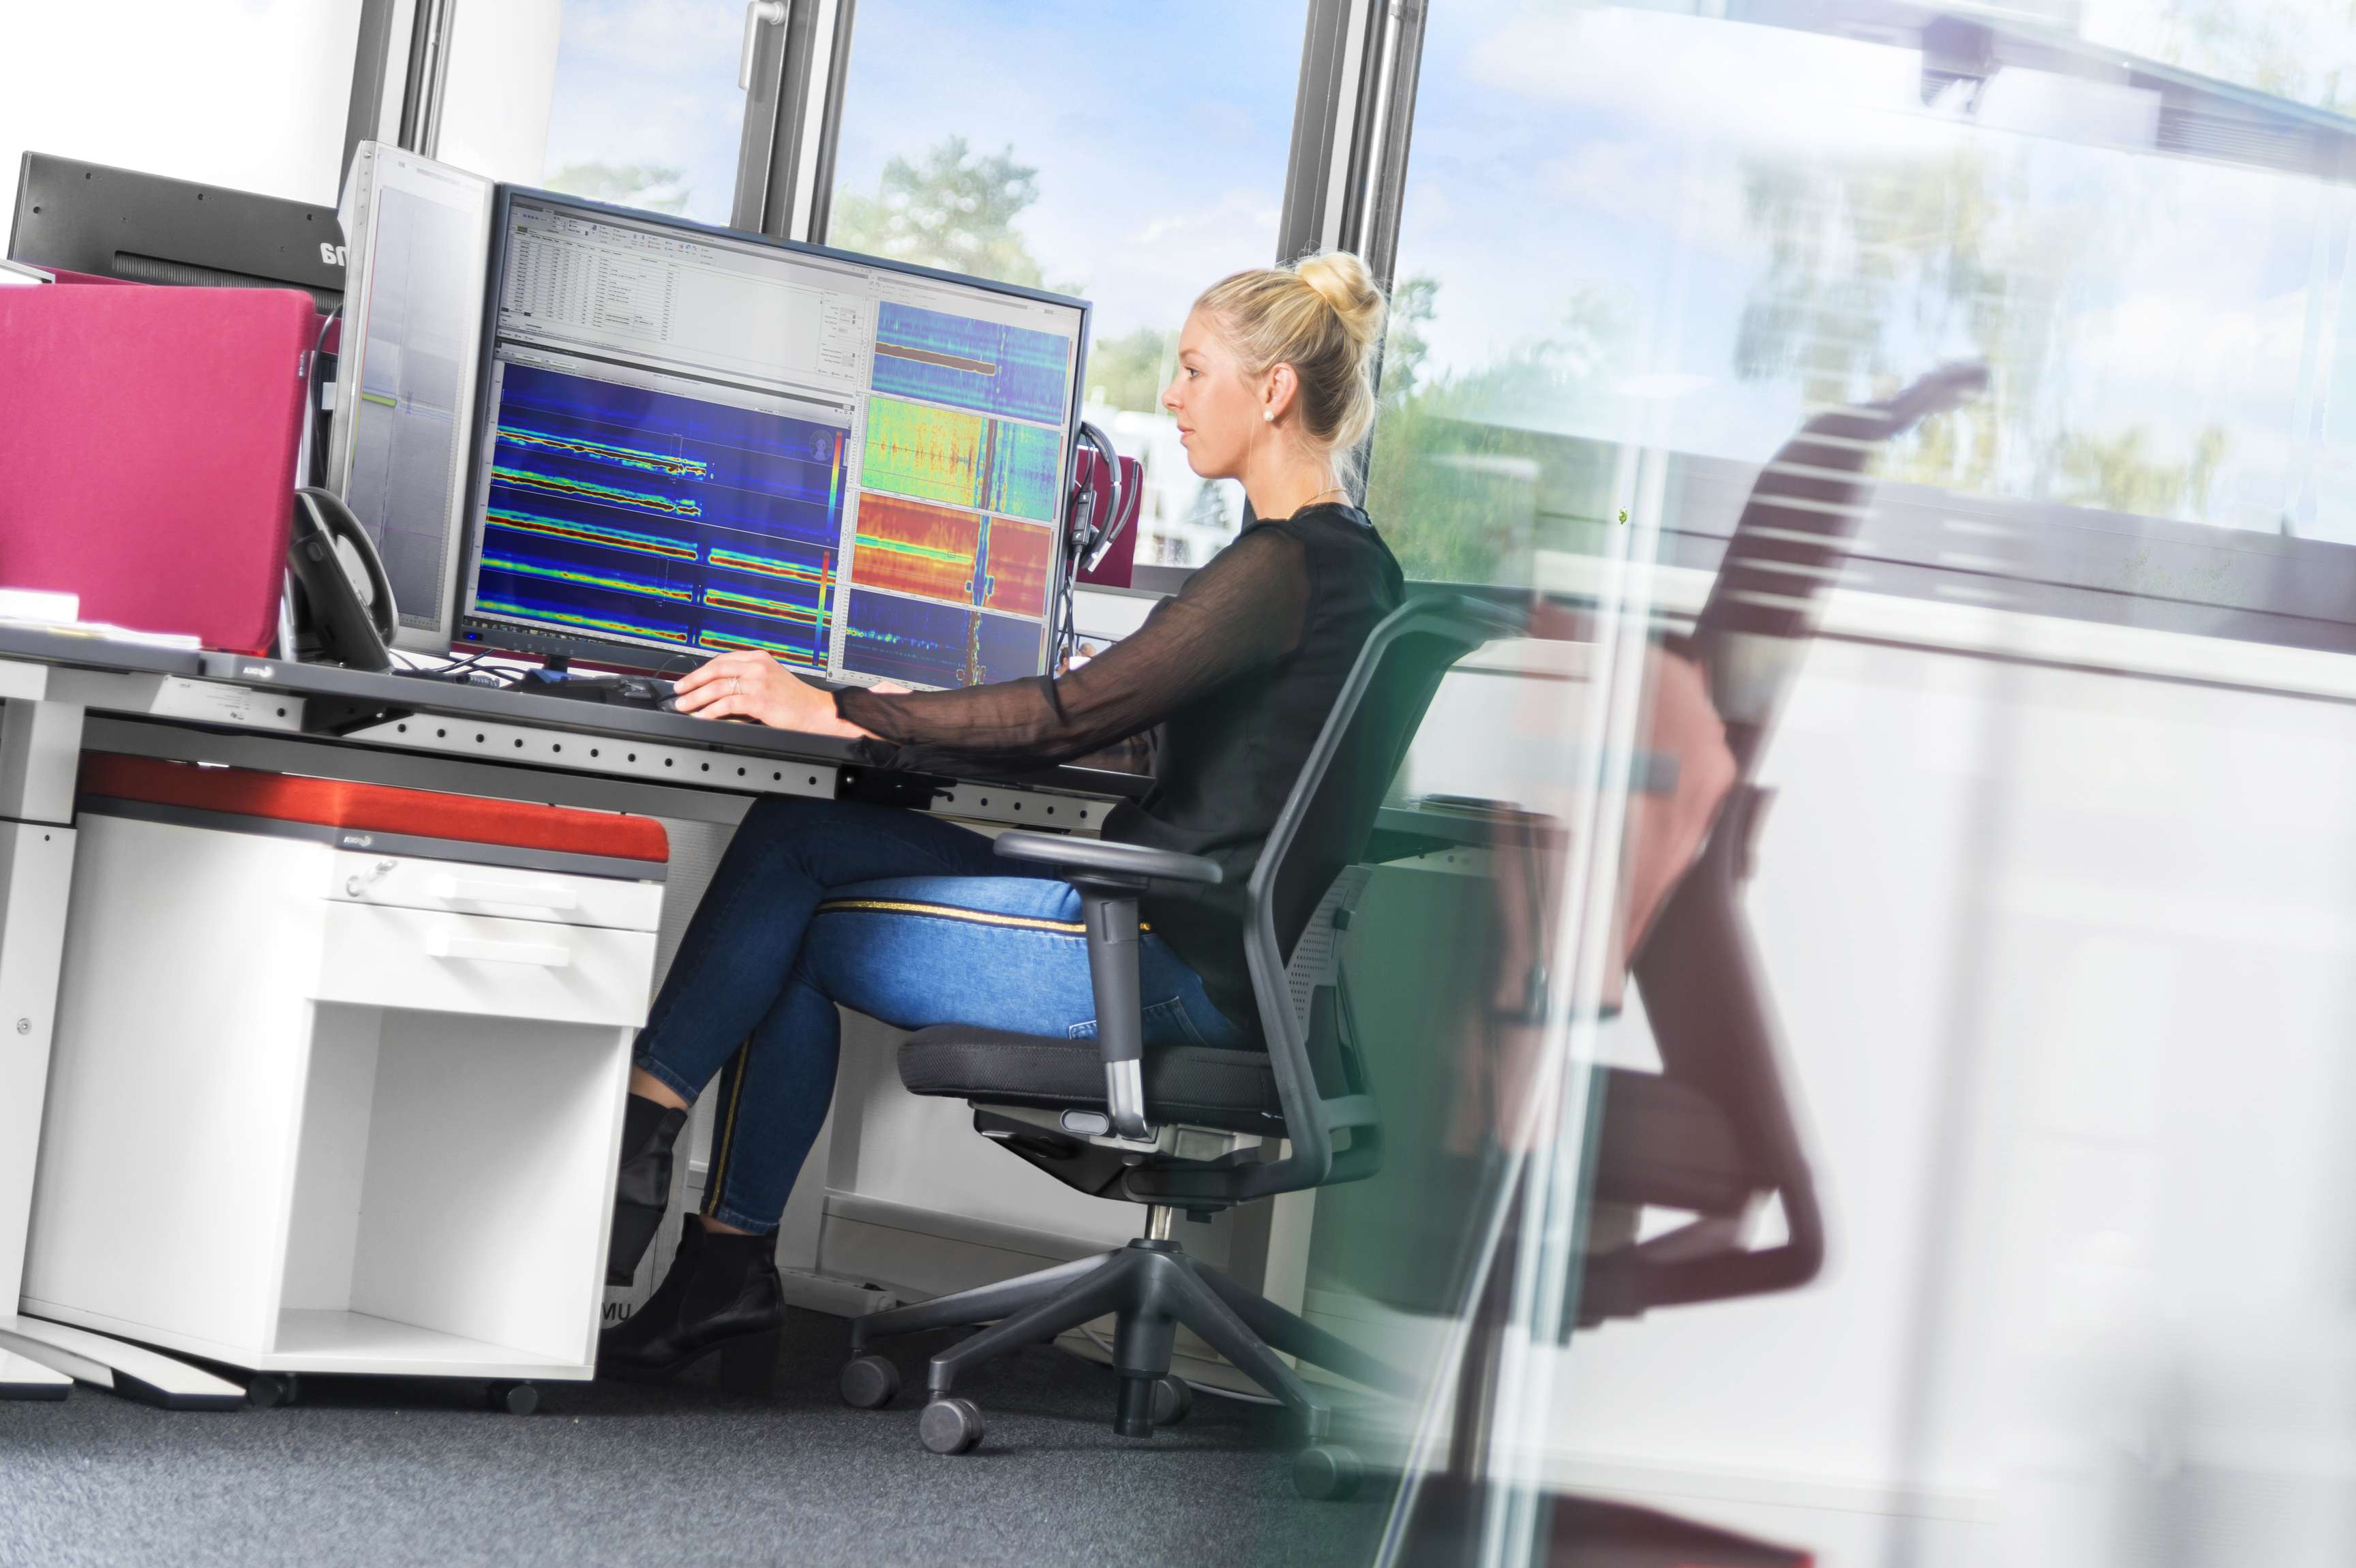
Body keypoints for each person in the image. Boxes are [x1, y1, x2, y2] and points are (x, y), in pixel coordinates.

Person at [598, 251, 1405, 1381]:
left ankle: (675, 1214)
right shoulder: (1354, 566)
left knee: (784, 924)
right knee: (791, 839)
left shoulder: (1279, 566)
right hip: (1216, 948)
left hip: (1161, 958)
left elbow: (1071, 712)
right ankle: (680, 1212)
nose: (1169, 398)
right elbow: (1164, 730)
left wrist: (835, 707)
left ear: (1272, 392)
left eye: (1190, 371)